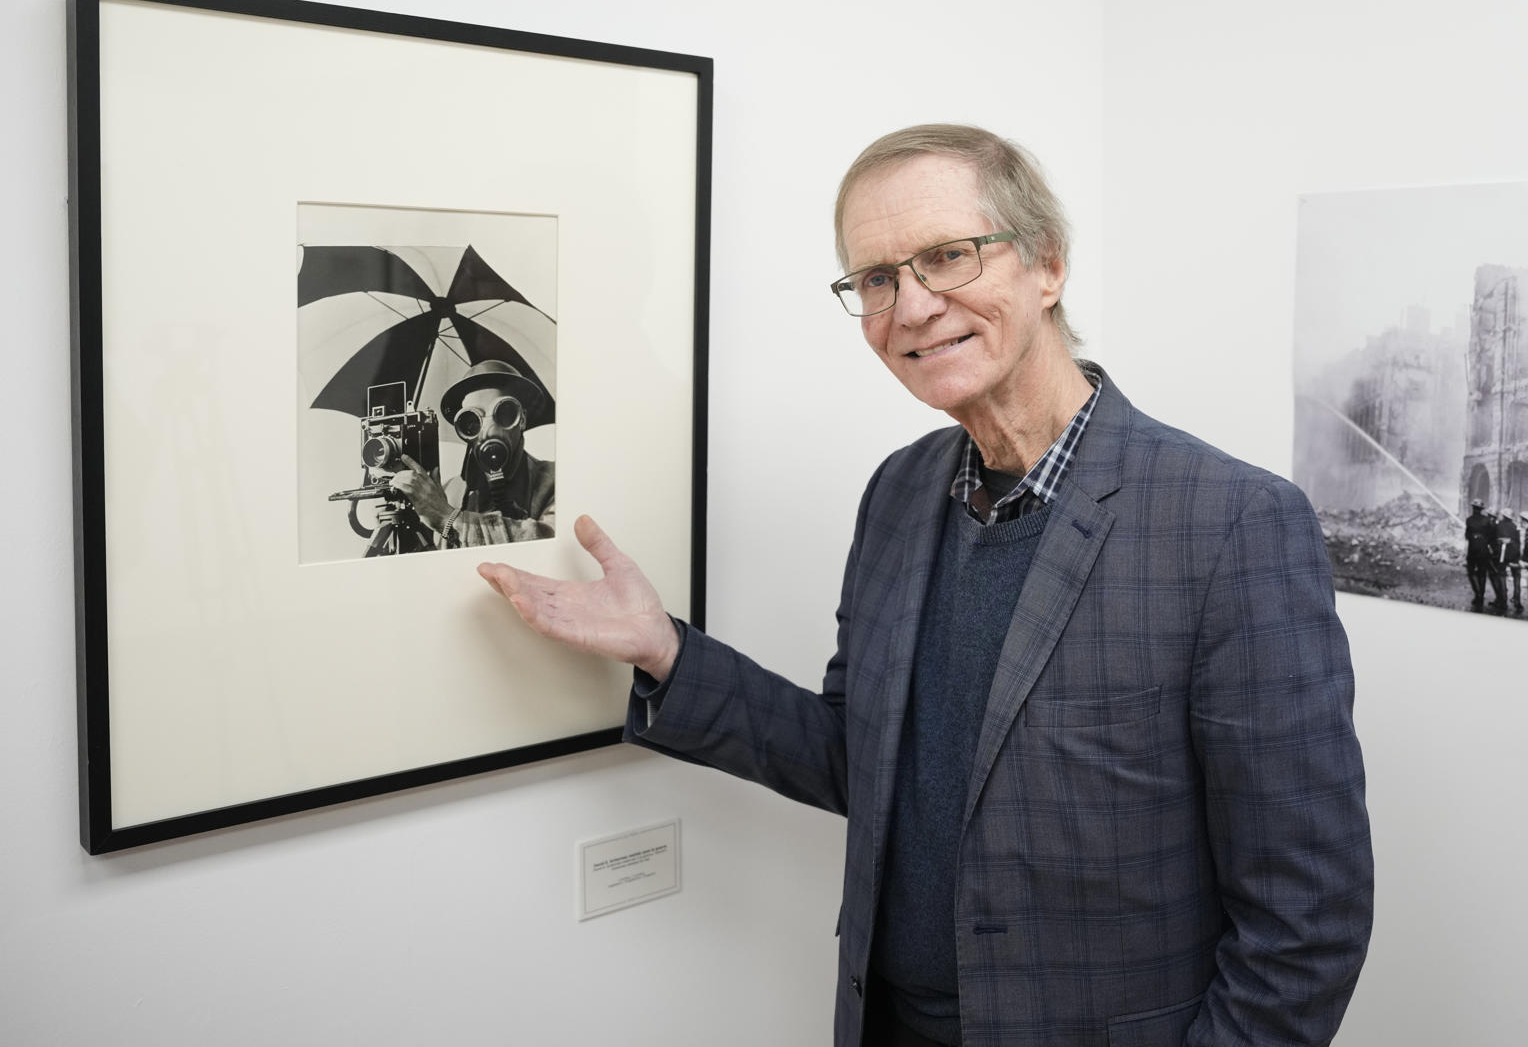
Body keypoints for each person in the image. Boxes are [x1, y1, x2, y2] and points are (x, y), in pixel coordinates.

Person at [475, 125, 1372, 1046]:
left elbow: (1306, 921)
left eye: (947, 257)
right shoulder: (901, 491)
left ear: (1048, 266)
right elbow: (855, 756)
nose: (911, 307)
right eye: (876, 279)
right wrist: (665, 650)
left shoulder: (1231, 522)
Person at [388, 359, 556, 547]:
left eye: (504, 413)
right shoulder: (451, 492)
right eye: (472, 421)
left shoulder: (554, 481)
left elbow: (549, 540)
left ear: (522, 419)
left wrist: (447, 518)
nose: (488, 429)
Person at [1463, 497, 1503, 613]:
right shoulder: (1487, 521)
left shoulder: (1469, 520)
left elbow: (1467, 536)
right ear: (1481, 509)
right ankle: (1481, 595)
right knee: (1482, 573)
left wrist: (1474, 537)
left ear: (1473, 508)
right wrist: (1488, 544)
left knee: (1471, 571)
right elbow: (1492, 536)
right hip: (1483, 549)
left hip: (1472, 549)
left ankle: (1478, 595)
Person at [1494, 507, 1524, 616]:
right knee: (1517, 577)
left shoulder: (1498, 526)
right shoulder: (1516, 527)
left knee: (1502, 576)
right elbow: (1519, 542)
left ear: (1504, 515)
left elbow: (1495, 541)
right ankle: (1517, 601)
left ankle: (1503, 601)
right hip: (1515, 554)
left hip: (1502, 555)